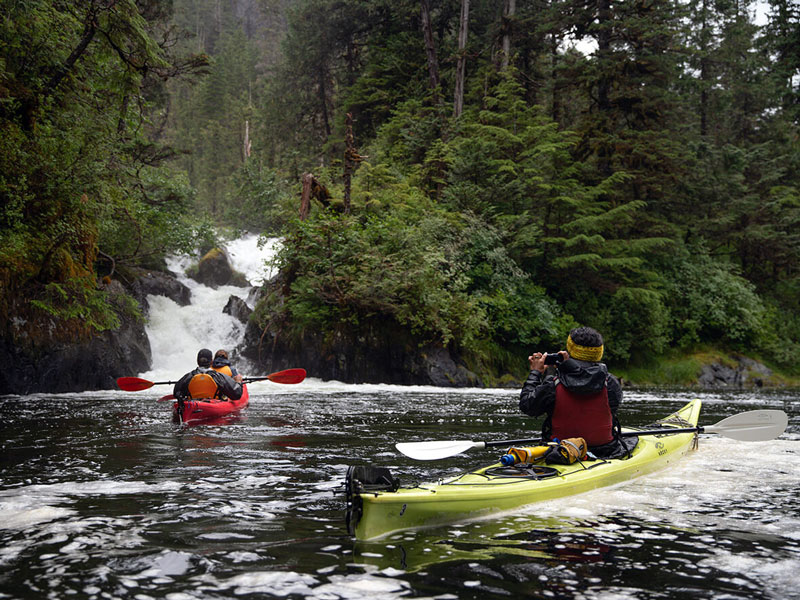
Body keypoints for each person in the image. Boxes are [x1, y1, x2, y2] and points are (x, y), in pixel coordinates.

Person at [519, 326, 633, 459]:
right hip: (604, 451)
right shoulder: (611, 383)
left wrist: (535, 373)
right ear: (599, 353)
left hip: (560, 451)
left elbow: (527, 406)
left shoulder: (552, 383)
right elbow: (611, 409)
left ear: (569, 350)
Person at [173, 348, 243, 401]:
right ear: (211, 362)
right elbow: (237, 395)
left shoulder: (188, 377)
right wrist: (238, 382)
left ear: (197, 361)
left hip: (193, 404)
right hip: (213, 405)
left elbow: (176, 393)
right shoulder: (219, 377)